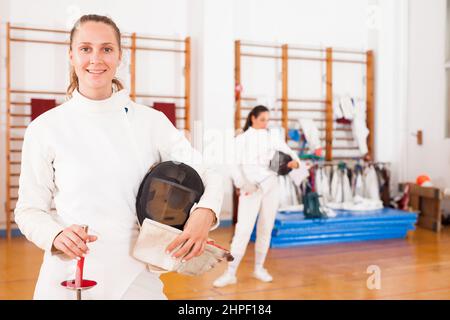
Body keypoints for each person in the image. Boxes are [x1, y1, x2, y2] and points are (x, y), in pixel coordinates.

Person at [14, 14, 223, 300]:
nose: (95, 59)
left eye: (106, 49)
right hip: (69, 276)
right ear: (72, 55)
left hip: (136, 276)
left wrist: (204, 213)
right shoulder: (44, 128)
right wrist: (55, 236)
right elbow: (28, 210)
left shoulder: (151, 122)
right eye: (86, 48)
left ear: (119, 56)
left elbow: (209, 171)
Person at [213, 105, 301, 287]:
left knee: (265, 228)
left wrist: (294, 163)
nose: (265, 123)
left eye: (267, 120)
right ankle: (230, 273)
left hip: (272, 187)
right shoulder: (242, 139)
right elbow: (231, 164)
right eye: (262, 119)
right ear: (252, 118)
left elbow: (293, 157)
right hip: (250, 189)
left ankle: (259, 268)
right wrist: (242, 183)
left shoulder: (272, 137)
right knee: (243, 231)